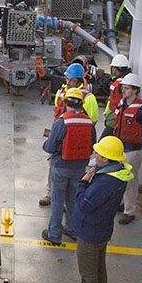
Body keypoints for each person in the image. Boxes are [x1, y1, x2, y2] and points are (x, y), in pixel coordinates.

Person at [61, 136, 133, 283]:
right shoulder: (118, 174)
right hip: (102, 228)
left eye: (99, 153)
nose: (95, 154)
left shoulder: (104, 183)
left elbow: (85, 205)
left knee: (89, 275)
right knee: (99, 270)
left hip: (90, 230)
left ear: (107, 159)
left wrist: (84, 183)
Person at [40, 88, 96, 246]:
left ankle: (54, 234)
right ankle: (72, 229)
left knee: (57, 201)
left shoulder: (61, 122)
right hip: (79, 168)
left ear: (65, 103)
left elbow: (50, 147)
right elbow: (92, 145)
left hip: (61, 167)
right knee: (73, 200)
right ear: (81, 105)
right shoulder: (89, 123)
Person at [40, 62, 98, 206]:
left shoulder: (88, 98)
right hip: (59, 135)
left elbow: (93, 121)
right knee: (52, 166)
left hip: (75, 140)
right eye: (67, 79)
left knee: (74, 173)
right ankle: (50, 194)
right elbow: (57, 109)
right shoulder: (62, 92)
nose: (68, 82)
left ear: (78, 81)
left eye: (71, 80)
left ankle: (68, 202)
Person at [112, 72, 142, 224]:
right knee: (118, 177)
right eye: (123, 88)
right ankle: (122, 204)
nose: (124, 91)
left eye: (127, 88)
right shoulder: (121, 104)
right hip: (120, 147)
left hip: (133, 149)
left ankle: (130, 211)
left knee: (130, 180)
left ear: (135, 90)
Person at [102, 54, 131, 137]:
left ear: (115, 68)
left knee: (102, 143)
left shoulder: (120, 84)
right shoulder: (123, 83)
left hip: (114, 118)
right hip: (115, 116)